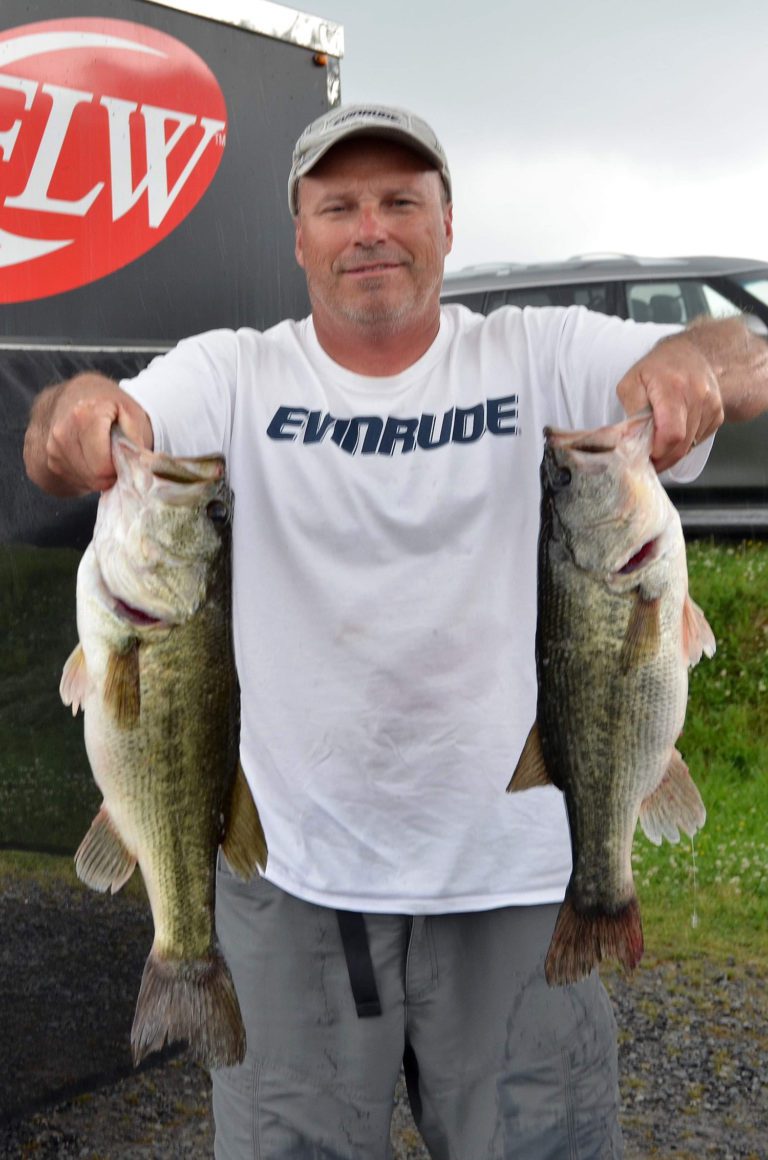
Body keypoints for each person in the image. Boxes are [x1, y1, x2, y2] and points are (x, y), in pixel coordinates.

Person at [24, 104, 768, 1159]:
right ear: (298, 236)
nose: (370, 227)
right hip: (290, 879)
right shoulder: (235, 373)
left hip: (514, 878)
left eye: (400, 201)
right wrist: (82, 417)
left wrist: (697, 367)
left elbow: (744, 352)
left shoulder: (538, 350)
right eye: (339, 205)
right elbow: (68, 439)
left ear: (448, 225)